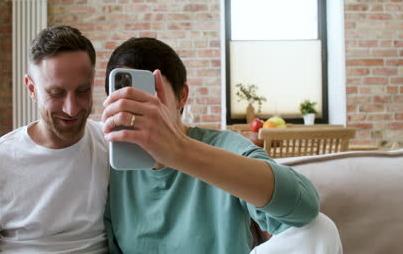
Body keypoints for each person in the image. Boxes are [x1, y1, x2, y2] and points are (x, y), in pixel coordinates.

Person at [101, 37, 342, 254]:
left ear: (182, 95)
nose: (139, 110)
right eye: (125, 99)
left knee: (321, 229)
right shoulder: (107, 163)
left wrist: (179, 151)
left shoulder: (225, 147)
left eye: (150, 96)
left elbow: (305, 207)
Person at [0, 26, 110, 254]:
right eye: (56, 93)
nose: (71, 109)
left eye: (82, 91)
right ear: (32, 89)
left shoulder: (112, 145)